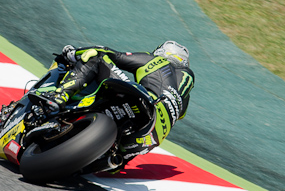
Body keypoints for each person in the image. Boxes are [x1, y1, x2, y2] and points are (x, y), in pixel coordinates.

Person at [30, 41, 194, 151]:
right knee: (115, 160)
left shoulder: (159, 61)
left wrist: (74, 53)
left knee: (96, 57)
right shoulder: (183, 97)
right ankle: (112, 156)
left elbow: (112, 54)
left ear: (161, 52)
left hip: (145, 102)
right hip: (147, 139)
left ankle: (59, 97)